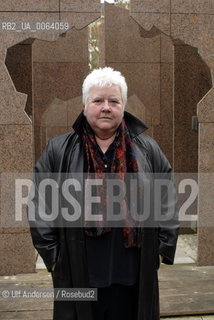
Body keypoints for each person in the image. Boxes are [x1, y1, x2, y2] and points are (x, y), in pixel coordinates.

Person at [28, 67, 179, 320]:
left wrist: (163, 248)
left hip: (133, 272)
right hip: (79, 271)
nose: (106, 107)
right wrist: (53, 257)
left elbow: (168, 198)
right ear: (85, 104)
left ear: (123, 106)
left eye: (113, 101)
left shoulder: (147, 149)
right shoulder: (58, 150)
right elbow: (40, 205)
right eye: (98, 100)